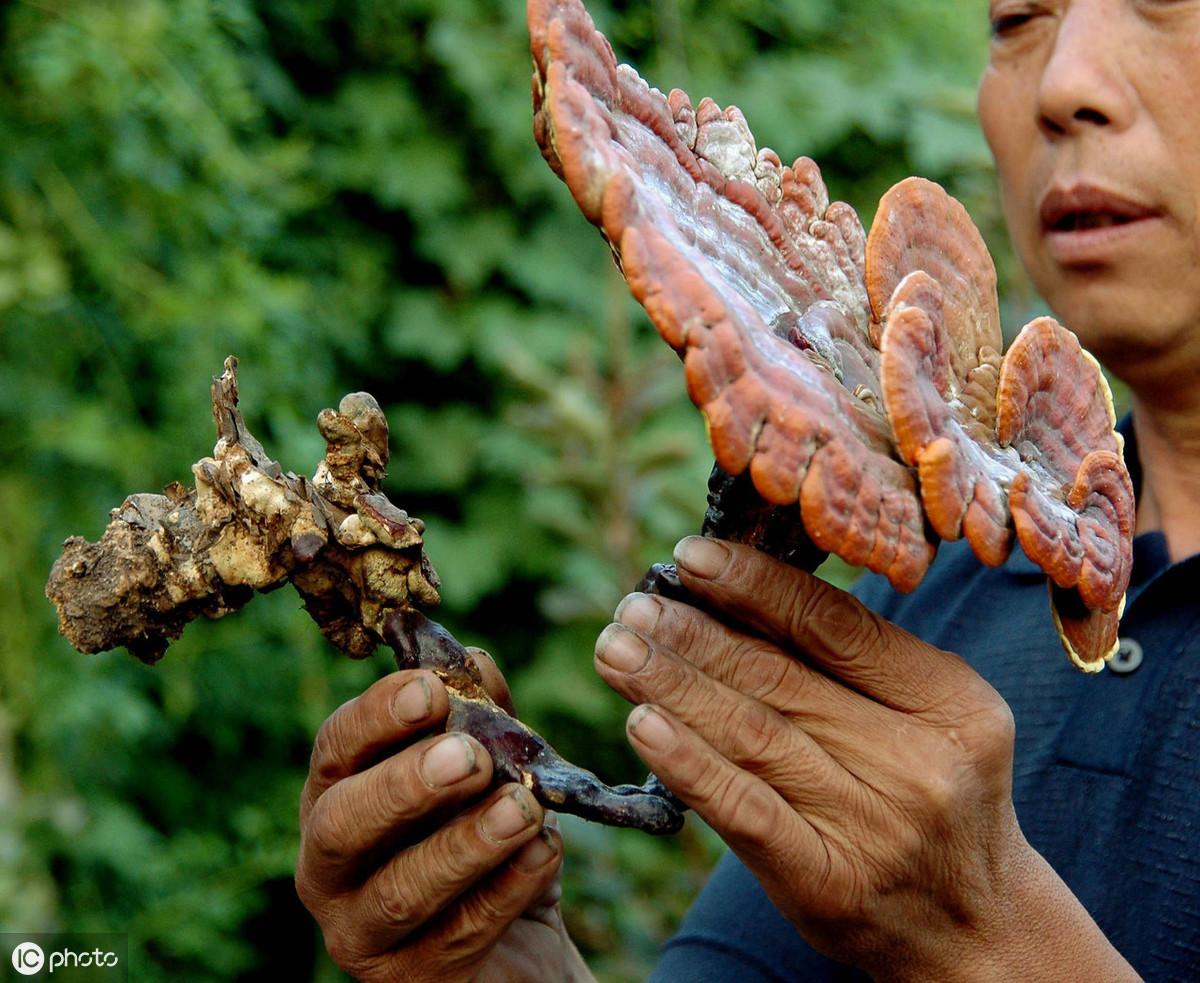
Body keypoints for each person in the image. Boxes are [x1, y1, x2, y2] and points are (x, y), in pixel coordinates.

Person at [293, 0, 1200, 978]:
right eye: (1019, 16)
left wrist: (993, 940)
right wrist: (507, 962)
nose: (1064, 83)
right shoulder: (938, 589)